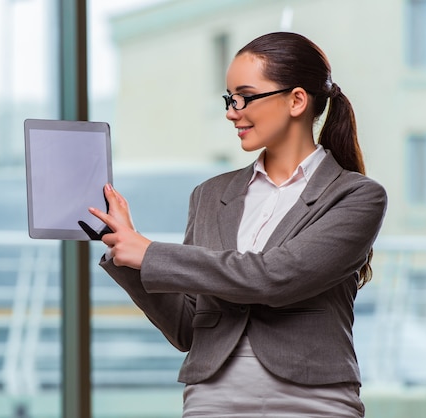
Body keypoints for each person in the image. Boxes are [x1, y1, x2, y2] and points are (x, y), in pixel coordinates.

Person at [88, 32, 387, 417]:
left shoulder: (356, 196)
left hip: (312, 402)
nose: (232, 111)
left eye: (245, 96)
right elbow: (185, 327)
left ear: (296, 100)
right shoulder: (210, 194)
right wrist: (123, 251)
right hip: (212, 401)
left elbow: (276, 277)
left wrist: (151, 253)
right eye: (230, 99)